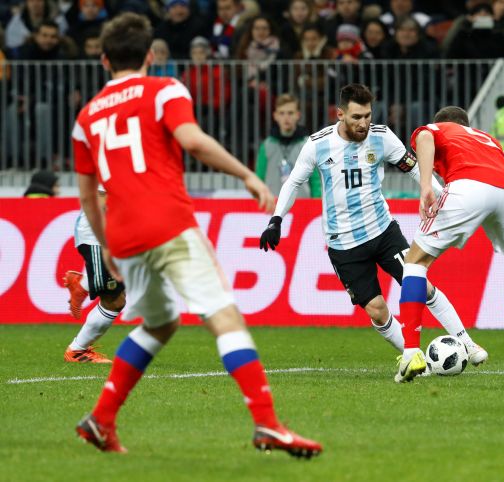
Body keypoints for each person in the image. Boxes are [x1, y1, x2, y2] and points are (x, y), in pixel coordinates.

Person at [71, 12, 322, 456]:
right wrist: (247, 175)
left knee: (160, 322)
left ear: (104, 60)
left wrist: (107, 245)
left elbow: (88, 195)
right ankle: (268, 424)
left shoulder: (86, 117)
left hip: (123, 235)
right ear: (150, 56)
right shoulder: (165, 89)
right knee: (225, 317)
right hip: (166, 221)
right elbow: (192, 139)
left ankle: (101, 419)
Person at [259, 84, 489, 368]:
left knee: (421, 285)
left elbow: (413, 167)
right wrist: (276, 219)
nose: (363, 123)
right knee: (377, 310)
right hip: (343, 243)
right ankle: (415, 358)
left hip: (382, 231)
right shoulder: (318, 144)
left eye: (367, 116)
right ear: (340, 114)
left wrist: (438, 196)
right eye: (356, 117)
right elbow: (294, 182)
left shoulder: (382, 137)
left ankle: (467, 343)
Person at [394, 106, 504, 383]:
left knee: (415, 262)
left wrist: (426, 186)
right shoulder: (490, 142)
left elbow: (425, 138)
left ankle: (410, 353)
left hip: (468, 185)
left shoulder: (442, 128)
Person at [62, 186, 126, 364]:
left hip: (116, 236)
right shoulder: (112, 169)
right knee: (113, 300)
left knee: (116, 300)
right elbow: (99, 199)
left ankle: (81, 285)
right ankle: (77, 351)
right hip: (99, 238)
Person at [256, 93, 319, 197]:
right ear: (275, 116)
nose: (286, 117)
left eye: (290, 113)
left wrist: (317, 203)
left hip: (302, 204)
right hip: (274, 204)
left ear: (298, 115)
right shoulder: (267, 146)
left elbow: (316, 181)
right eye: (282, 113)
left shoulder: (308, 145)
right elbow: (259, 179)